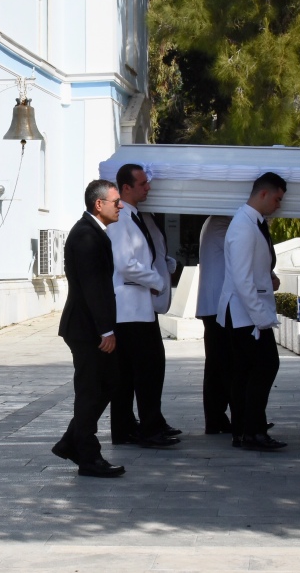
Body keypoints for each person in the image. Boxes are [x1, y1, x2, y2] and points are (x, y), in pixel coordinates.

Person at [51, 179, 126, 478]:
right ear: (99, 204)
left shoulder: (93, 232)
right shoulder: (85, 235)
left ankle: (73, 442)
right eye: (115, 201)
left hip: (89, 327)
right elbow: (93, 286)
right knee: (91, 390)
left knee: (106, 385)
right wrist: (105, 330)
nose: (120, 206)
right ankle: (87, 455)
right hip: (86, 329)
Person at [106, 164, 180, 448]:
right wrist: (158, 280)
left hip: (138, 308)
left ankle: (127, 428)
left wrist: (164, 266)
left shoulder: (136, 217)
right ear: (126, 188)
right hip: (129, 308)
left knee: (129, 373)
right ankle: (148, 428)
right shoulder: (122, 218)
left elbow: (145, 255)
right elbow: (126, 264)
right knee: (148, 369)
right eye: (142, 184)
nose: (148, 187)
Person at [217, 172, 287, 450]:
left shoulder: (252, 223)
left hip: (248, 310)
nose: (279, 205)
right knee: (264, 367)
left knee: (247, 372)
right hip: (246, 313)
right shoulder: (244, 226)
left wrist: (267, 276)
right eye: (278, 199)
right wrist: (262, 319)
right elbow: (242, 279)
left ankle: (244, 429)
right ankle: (252, 431)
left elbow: (252, 272)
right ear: (263, 194)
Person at [195, 215, 233, 434]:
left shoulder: (217, 222)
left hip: (217, 305)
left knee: (218, 365)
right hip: (220, 305)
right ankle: (217, 418)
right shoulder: (221, 223)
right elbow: (240, 254)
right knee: (223, 365)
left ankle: (217, 418)